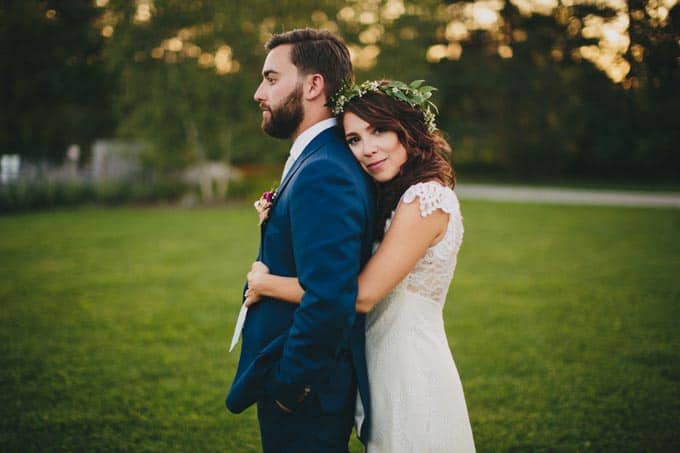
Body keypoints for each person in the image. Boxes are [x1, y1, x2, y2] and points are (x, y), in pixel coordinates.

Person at [245, 80, 476, 452]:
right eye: (353, 140)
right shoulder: (397, 196)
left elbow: (361, 295)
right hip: (379, 363)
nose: (367, 149)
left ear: (407, 130)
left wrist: (265, 283)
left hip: (409, 368)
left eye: (379, 131)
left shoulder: (426, 198)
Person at [225, 29, 376, 453]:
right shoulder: (316, 157)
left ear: (314, 85)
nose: (259, 92)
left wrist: (291, 388)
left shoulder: (324, 170)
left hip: (306, 395)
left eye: (271, 78)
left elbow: (329, 298)